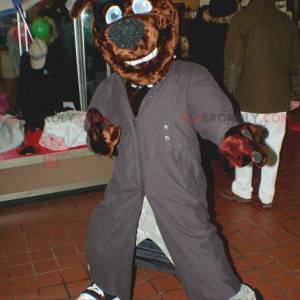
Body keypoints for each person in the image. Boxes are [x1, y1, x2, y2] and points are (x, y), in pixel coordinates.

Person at [222, 0, 300, 208]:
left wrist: (228, 93)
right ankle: (267, 195)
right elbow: (296, 61)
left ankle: (243, 190)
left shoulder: (241, 19)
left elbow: (233, 61)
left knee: (243, 143)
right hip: (278, 97)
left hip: (249, 96)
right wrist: (295, 94)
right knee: (273, 145)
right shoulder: (286, 21)